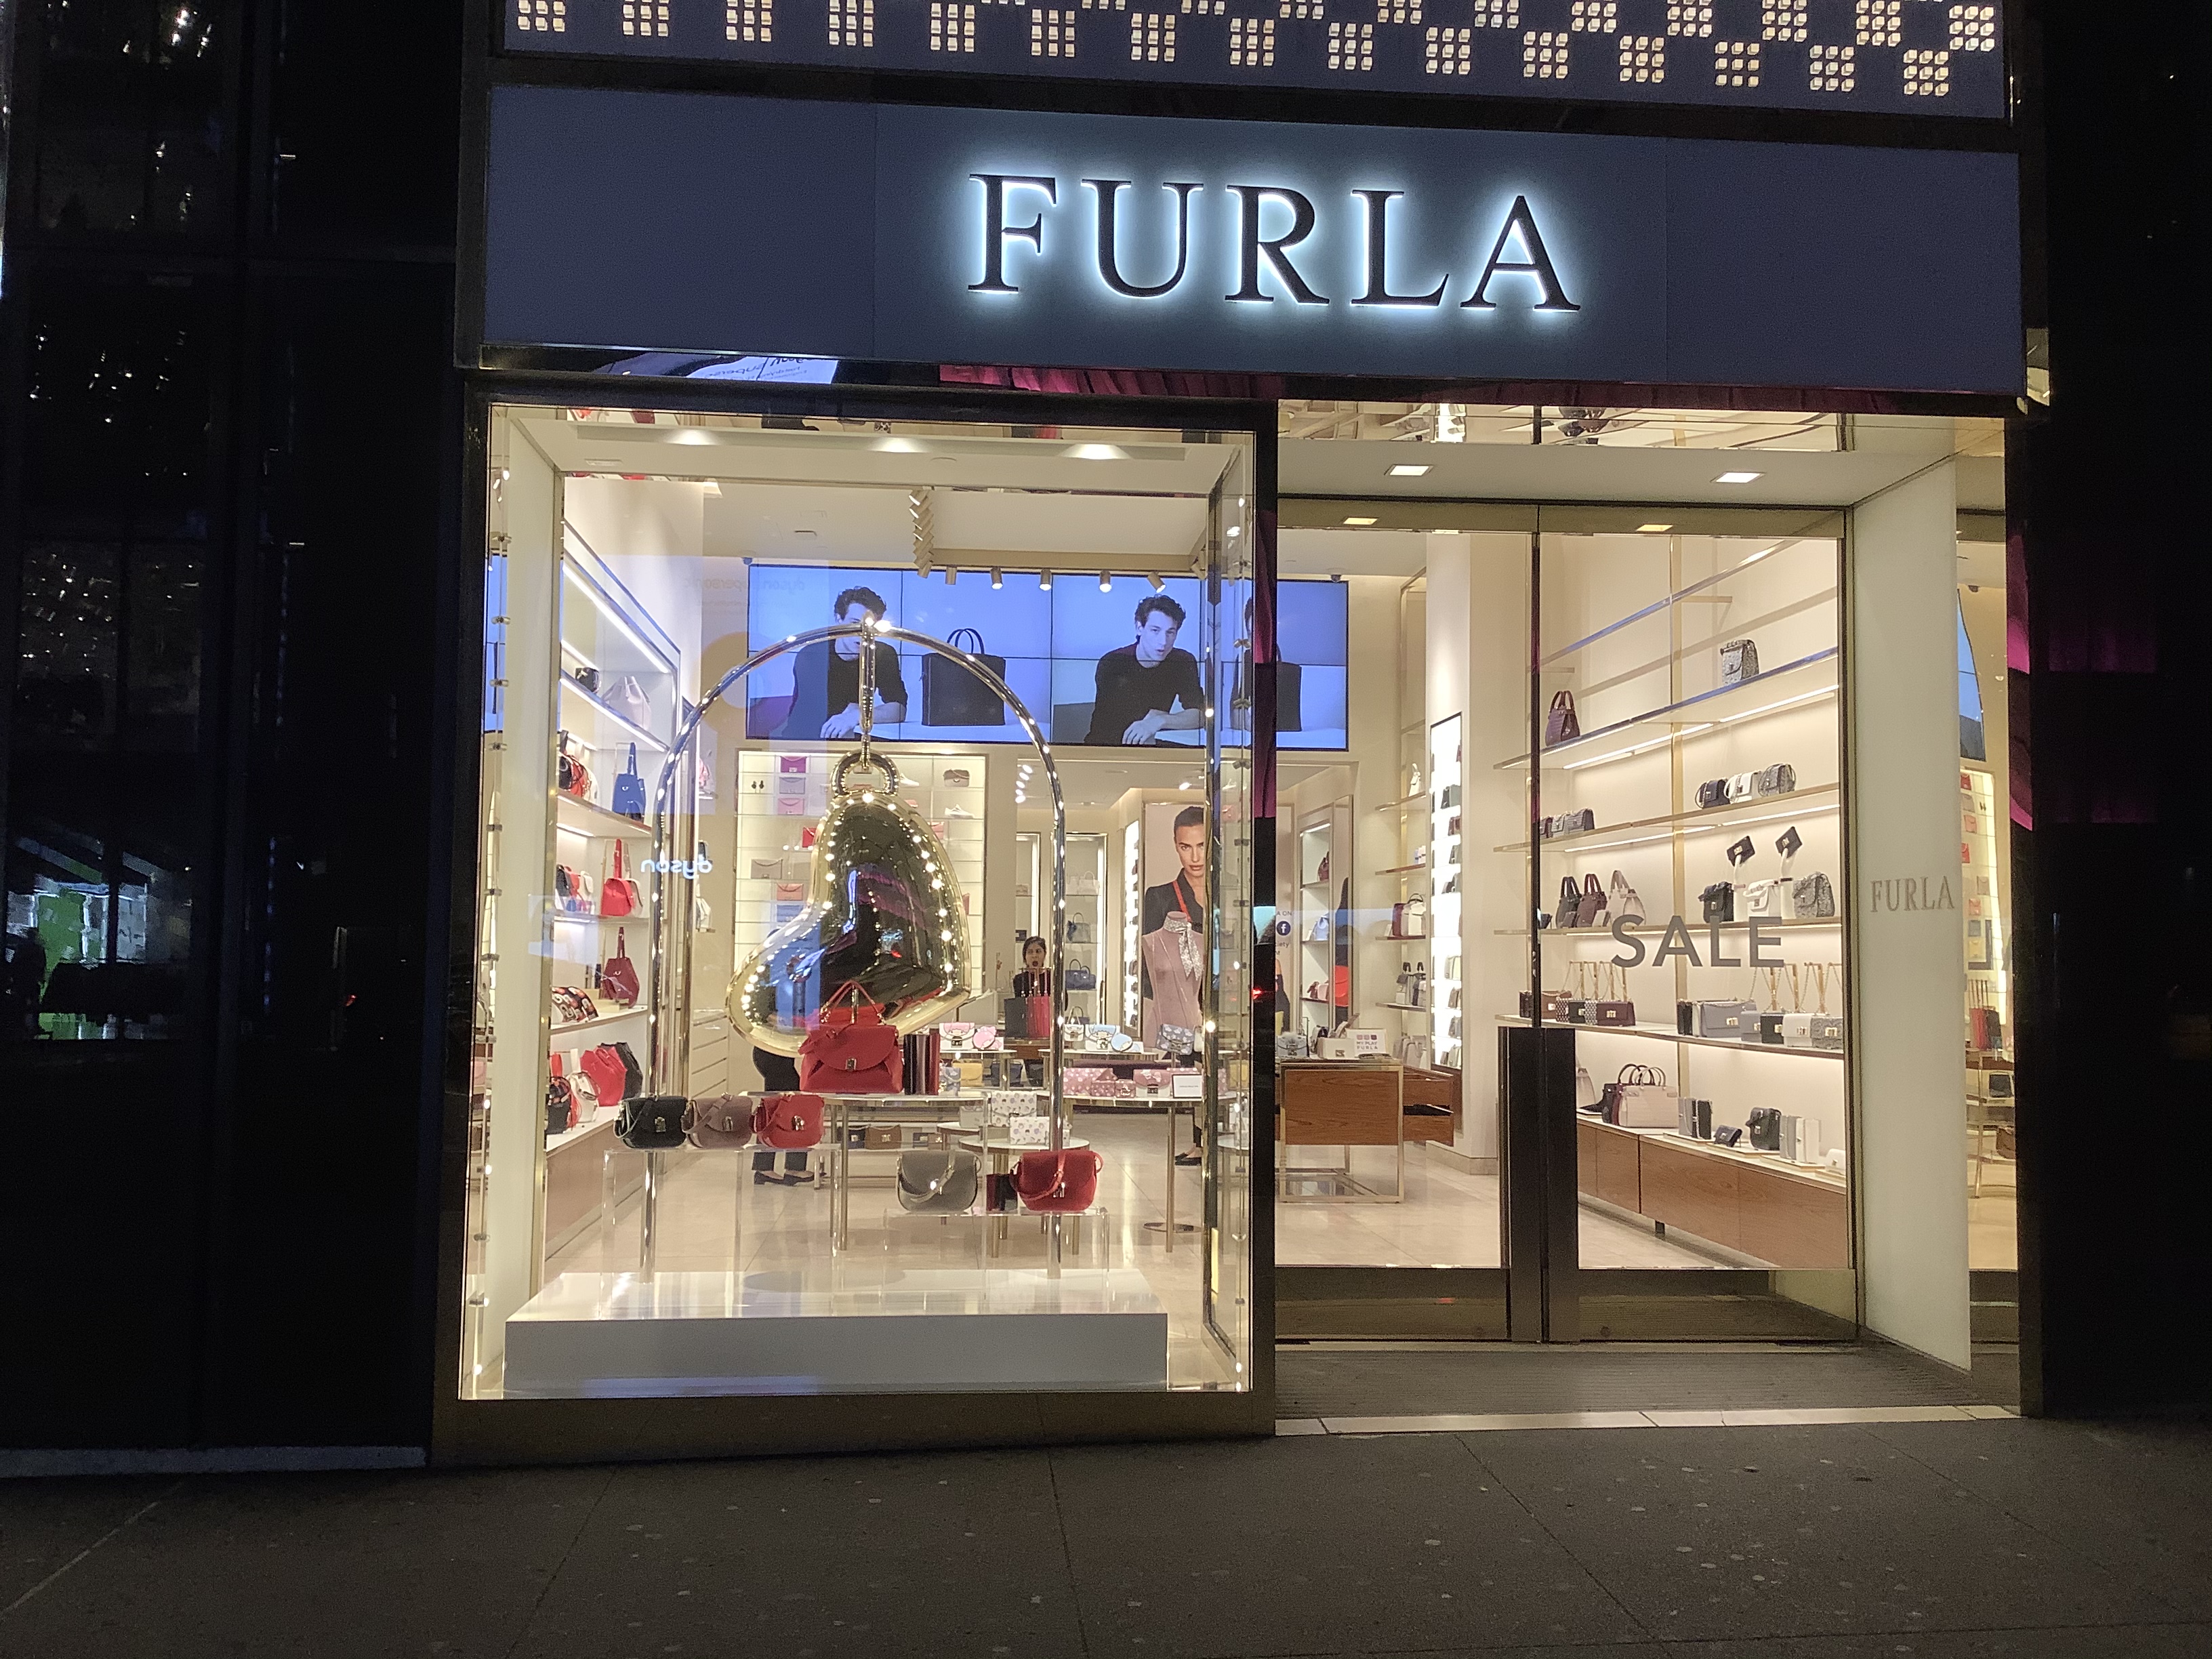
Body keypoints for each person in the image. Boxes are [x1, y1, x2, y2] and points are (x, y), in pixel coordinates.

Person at [1141, 806, 1208, 1164]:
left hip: (1223, 997)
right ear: (1176, 846)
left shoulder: (1231, 890)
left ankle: (1220, 1138)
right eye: (1186, 847)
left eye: (1201, 845)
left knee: (1224, 1071)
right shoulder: (1161, 896)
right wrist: (1160, 1005)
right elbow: (1151, 960)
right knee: (1190, 1069)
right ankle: (1200, 1140)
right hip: (1182, 1000)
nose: (1195, 857)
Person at [778, 585, 909, 740]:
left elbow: (898, 710)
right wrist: (862, 713)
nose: (863, 634)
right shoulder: (813, 655)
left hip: (848, 740)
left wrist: (858, 714)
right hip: (803, 742)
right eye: (855, 623)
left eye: (871, 627)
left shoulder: (883, 654)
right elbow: (815, 717)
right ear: (839, 619)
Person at [1086, 594, 1205, 746]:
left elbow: (1201, 716)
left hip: (1150, 745)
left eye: (1170, 632)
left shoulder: (1182, 661)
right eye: (1155, 630)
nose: (1163, 642)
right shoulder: (1114, 662)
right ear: (1139, 628)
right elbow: (1110, 729)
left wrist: (1161, 720)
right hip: (1108, 748)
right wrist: (1158, 722)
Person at [750, 1045, 812, 1185]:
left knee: (774, 1109)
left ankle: (765, 1167)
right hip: (774, 1053)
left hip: (769, 1052)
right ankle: (793, 1169)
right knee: (793, 1108)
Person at [1010, 934, 1053, 998]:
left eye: (1038, 951)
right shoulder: (1019, 979)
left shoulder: (1052, 978)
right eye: (1030, 952)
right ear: (1025, 956)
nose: (1034, 956)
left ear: (1045, 954)